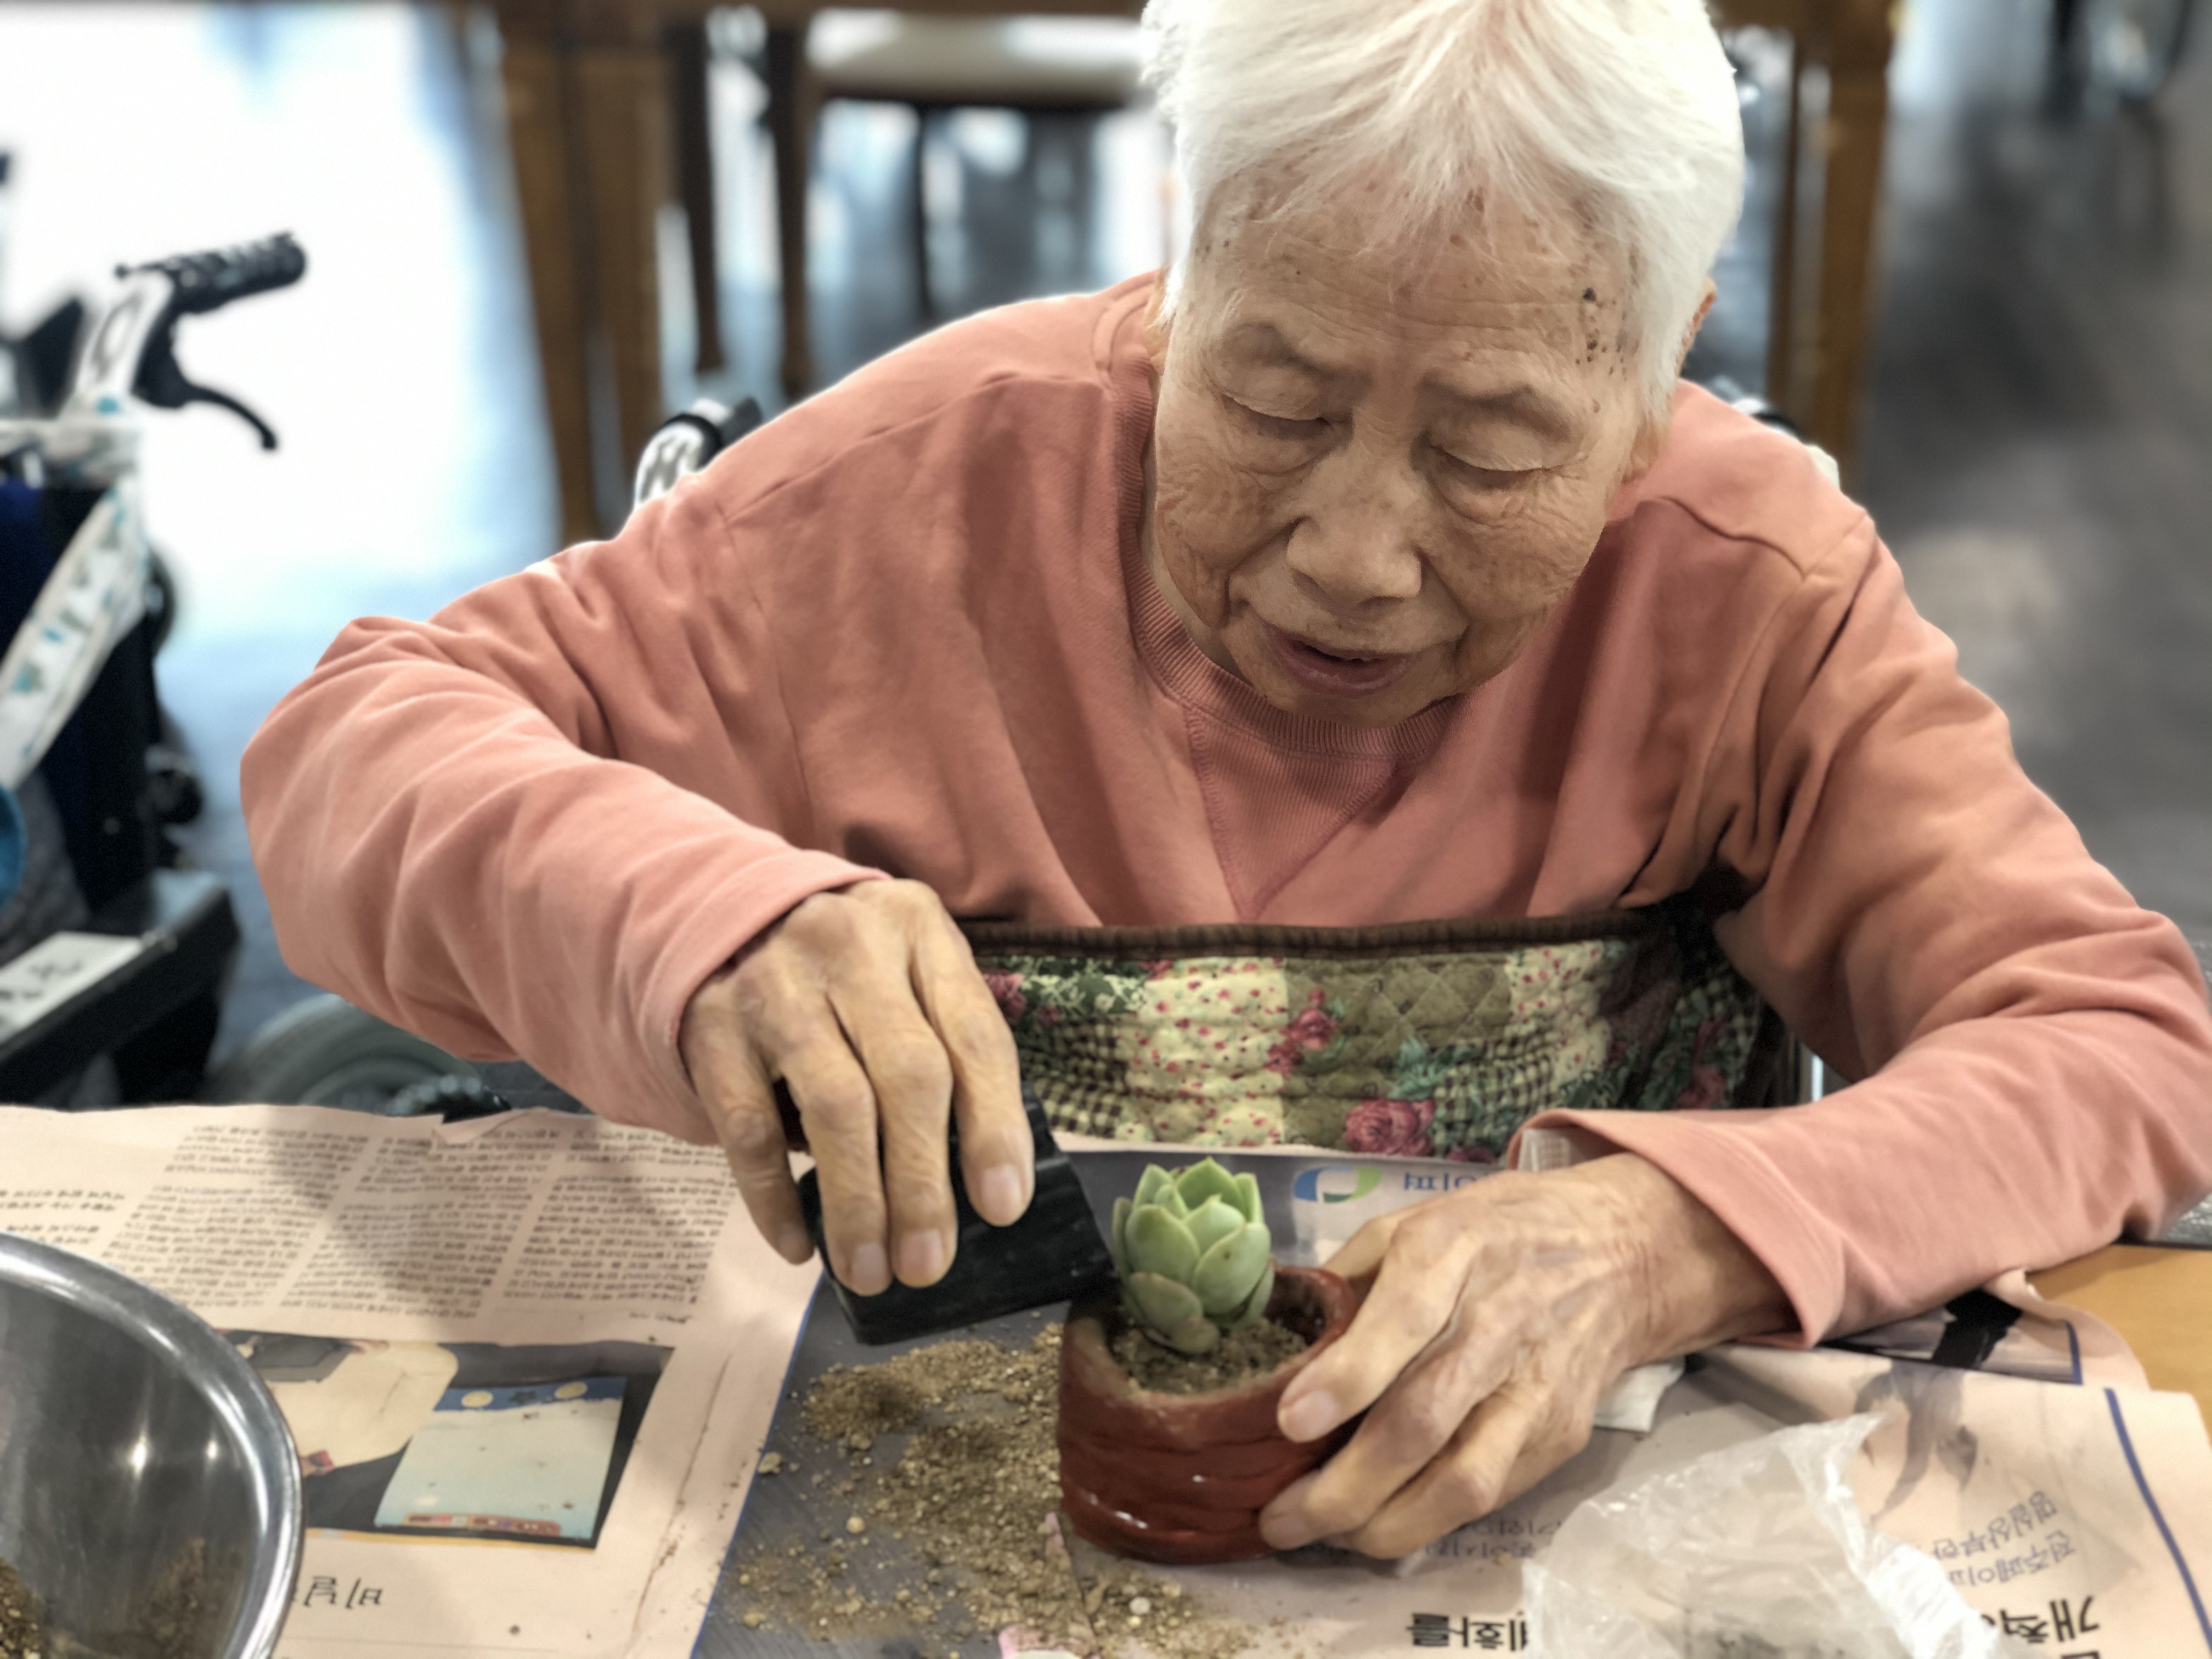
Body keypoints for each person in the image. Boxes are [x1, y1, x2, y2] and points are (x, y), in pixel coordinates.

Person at [242, 0, 2212, 1559]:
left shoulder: (1747, 586)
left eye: (1492, 452)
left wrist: (1664, 1243)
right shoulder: (910, 500)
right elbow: (347, 744)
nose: (1354, 553)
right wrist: (698, 918)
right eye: (1272, 400)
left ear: (1650, 391)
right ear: (1185, 264)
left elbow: (2117, 1036)